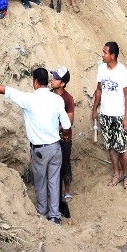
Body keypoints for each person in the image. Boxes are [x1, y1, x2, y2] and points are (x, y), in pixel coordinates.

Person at [0, 68, 70, 224]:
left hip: (39, 150)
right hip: (55, 148)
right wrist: (62, 134)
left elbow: (6, 91)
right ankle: (55, 216)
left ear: (35, 82)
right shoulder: (57, 100)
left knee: (40, 182)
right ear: (46, 81)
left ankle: (42, 212)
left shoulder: (28, 99)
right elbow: (66, 124)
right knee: (54, 181)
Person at [93, 41, 127, 189]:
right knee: (110, 146)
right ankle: (117, 174)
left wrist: (126, 117)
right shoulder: (102, 69)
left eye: (105, 53)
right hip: (105, 114)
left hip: (118, 115)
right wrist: (95, 109)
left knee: (121, 147)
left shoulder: (122, 72)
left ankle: (126, 174)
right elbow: (99, 90)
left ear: (113, 55)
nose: (102, 55)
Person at [50, 66, 75, 201]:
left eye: (55, 79)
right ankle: (55, 191)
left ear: (63, 83)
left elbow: (70, 120)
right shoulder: (49, 95)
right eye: (53, 77)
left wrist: (56, 130)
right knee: (53, 165)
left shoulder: (68, 99)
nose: (52, 80)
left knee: (65, 163)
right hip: (51, 137)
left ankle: (67, 191)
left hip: (64, 138)